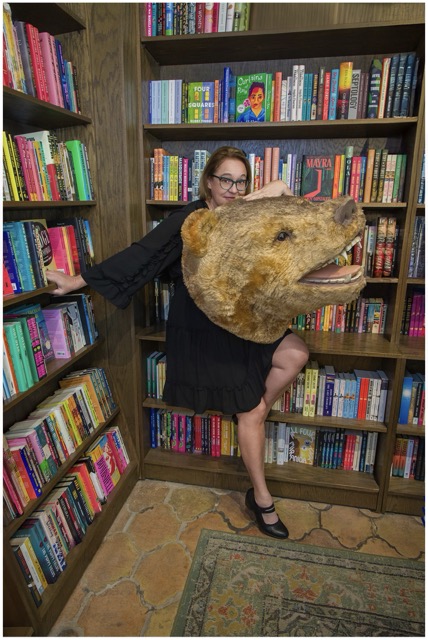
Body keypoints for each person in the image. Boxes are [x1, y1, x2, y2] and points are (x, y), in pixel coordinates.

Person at [46, 146, 309, 539]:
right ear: (208, 181)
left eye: (241, 182)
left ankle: (251, 412)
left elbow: (287, 196)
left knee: (296, 353)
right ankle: (262, 497)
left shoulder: (246, 215)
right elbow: (140, 254)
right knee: (253, 409)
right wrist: (75, 281)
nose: (234, 189)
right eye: (226, 180)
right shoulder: (189, 220)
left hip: (241, 319)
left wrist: (258, 199)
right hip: (203, 326)